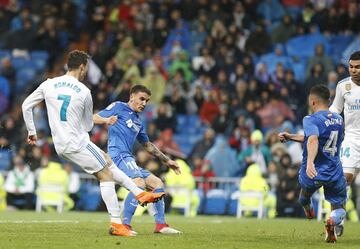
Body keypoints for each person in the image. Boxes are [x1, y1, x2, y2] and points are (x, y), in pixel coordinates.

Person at [21, 50, 164, 237]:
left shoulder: (49, 84)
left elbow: (26, 105)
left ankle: (139, 193)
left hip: (61, 145)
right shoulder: (83, 91)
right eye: (86, 68)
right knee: (106, 175)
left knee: (108, 161)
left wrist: (32, 131)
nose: (86, 72)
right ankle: (117, 223)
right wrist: (103, 121)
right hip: (77, 141)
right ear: (82, 67)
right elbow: (88, 125)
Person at [93, 84, 182, 234]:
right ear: (132, 96)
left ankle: (161, 225)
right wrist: (106, 120)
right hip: (117, 156)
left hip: (127, 157)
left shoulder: (138, 121)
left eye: (147, 101)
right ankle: (124, 226)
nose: (144, 103)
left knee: (157, 183)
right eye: (141, 99)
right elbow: (94, 117)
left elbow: (147, 144)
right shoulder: (119, 106)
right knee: (139, 183)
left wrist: (167, 161)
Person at [278, 85, 347, 243]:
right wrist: (291, 137)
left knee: (304, 196)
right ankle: (331, 222)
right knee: (339, 207)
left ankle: (308, 210)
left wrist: (310, 163)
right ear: (328, 101)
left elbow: (314, 139)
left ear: (313, 102)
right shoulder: (338, 119)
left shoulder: (310, 119)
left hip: (314, 170)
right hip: (334, 171)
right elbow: (316, 138)